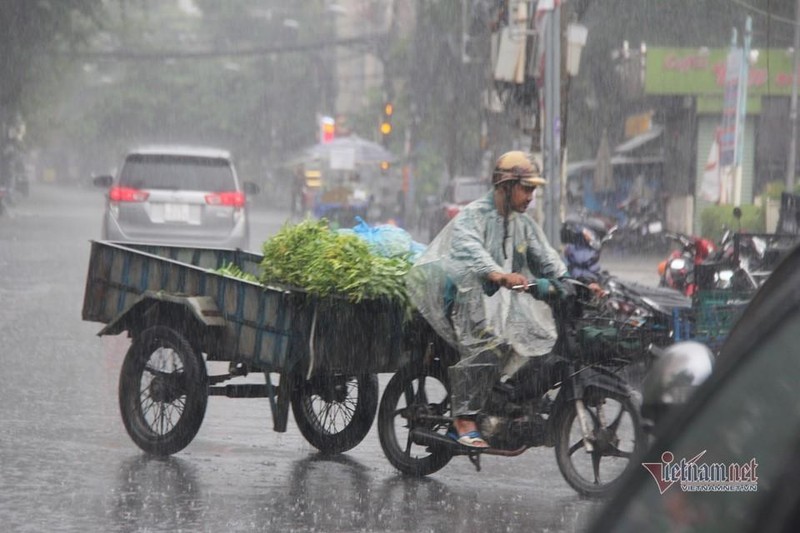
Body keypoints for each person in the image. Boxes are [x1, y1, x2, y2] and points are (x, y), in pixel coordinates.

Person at [406, 151, 572, 448]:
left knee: (540, 333)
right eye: (526, 188)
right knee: (488, 341)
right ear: (505, 186)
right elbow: (470, 250)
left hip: (496, 300)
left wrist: (571, 282)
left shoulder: (521, 222)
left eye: (533, 189)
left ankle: (506, 399)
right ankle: (464, 420)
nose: (531, 196)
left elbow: (545, 257)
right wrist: (498, 274)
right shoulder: (473, 216)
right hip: (461, 298)